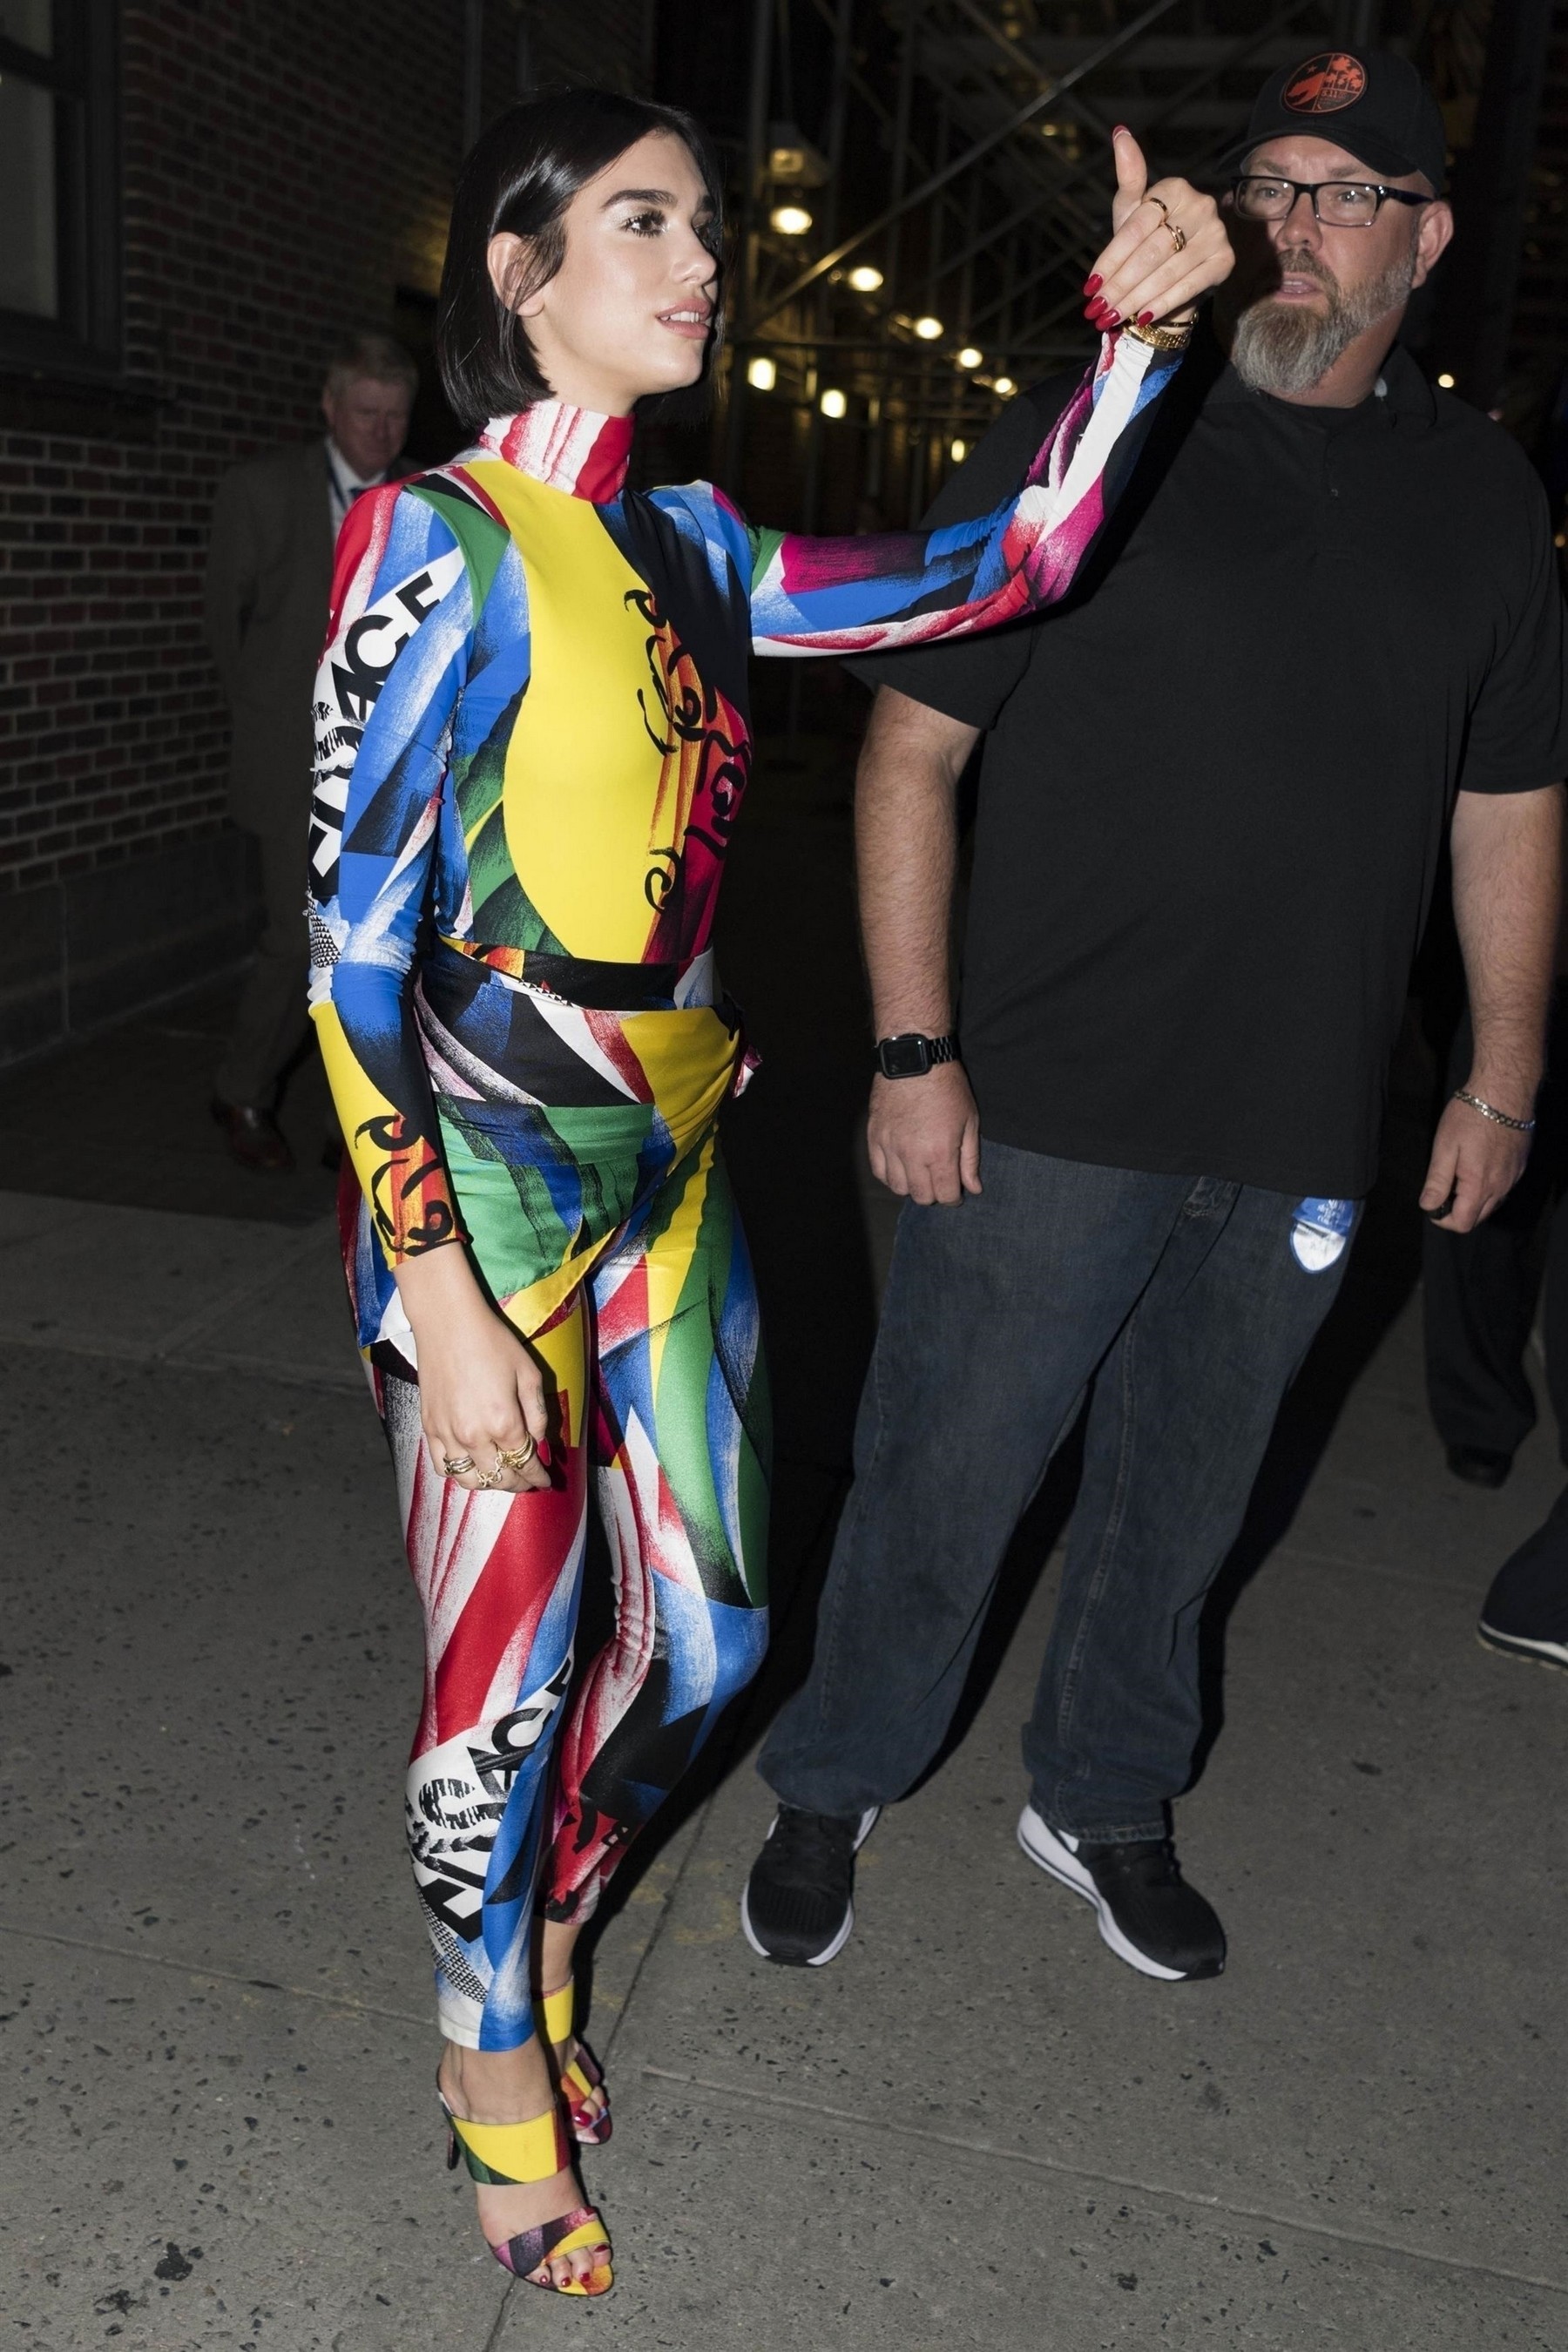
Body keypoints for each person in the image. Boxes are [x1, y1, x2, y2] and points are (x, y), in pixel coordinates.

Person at [305, 87, 1231, 2297]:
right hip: (484, 1175)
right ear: (519, 272)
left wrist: (1131, 351)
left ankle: (540, 1911)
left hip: (679, 1147)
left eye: (706, 221)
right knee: (507, 1678)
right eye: (644, 222)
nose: (702, 257)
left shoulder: (702, 542)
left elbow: (1007, 564)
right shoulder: (435, 534)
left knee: (712, 1638)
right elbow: (348, 953)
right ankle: (488, 2054)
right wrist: (436, 1290)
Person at [741, 46, 1568, 1988]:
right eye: (1265, 187)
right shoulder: (1099, 427)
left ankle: (1104, 1792)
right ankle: (835, 1776)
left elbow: (1512, 801)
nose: (1290, 228)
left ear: (1429, 239)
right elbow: (911, 752)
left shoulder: (1482, 496)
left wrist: (1504, 1077)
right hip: (1041, 1098)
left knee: (1187, 1501)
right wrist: (915, 1050)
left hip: (1304, 1116)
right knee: (947, 1471)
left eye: (1341, 195)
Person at [205, 331, 416, 1169]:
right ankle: (242, 1089)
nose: (382, 432)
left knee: (377, 949)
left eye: (396, 415)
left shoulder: (424, 497)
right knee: (303, 943)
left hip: (391, 763)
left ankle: (351, 1122)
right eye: (366, 413)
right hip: (293, 762)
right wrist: (271, 719)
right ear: (329, 408)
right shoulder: (261, 493)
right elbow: (225, 629)